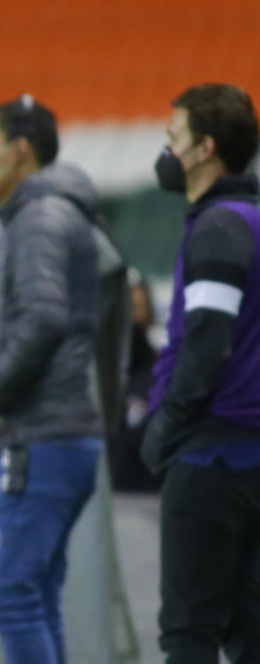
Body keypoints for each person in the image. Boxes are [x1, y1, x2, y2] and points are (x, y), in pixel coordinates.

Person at [0, 95, 106, 664]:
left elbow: (44, 319)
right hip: (53, 435)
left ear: (19, 150)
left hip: (38, 436)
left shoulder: (40, 218)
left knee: (13, 599)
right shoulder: (43, 215)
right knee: (36, 597)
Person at [140, 83, 260, 664]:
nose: (166, 151)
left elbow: (207, 343)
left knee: (190, 633)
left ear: (205, 147)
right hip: (250, 451)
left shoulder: (218, 227)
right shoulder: (250, 220)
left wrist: (166, 427)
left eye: (174, 137)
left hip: (213, 458)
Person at [108, 269, 162, 491]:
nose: (132, 320)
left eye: (137, 309)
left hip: (143, 495)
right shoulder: (92, 374)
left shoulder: (159, 374)